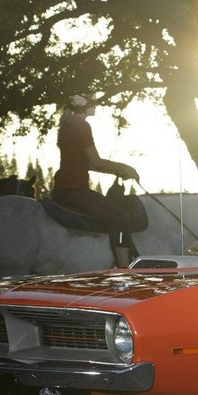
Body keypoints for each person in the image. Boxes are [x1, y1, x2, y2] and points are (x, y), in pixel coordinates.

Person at [51, 94, 140, 266]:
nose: (96, 106)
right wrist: (125, 168)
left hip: (63, 186)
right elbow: (95, 162)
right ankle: (124, 267)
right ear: (83, 106)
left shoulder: (67, 125)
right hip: (74, 188)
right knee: (120, 216)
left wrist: (116, 170)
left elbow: (88, 164)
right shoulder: (82, 126)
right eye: (92, 103)